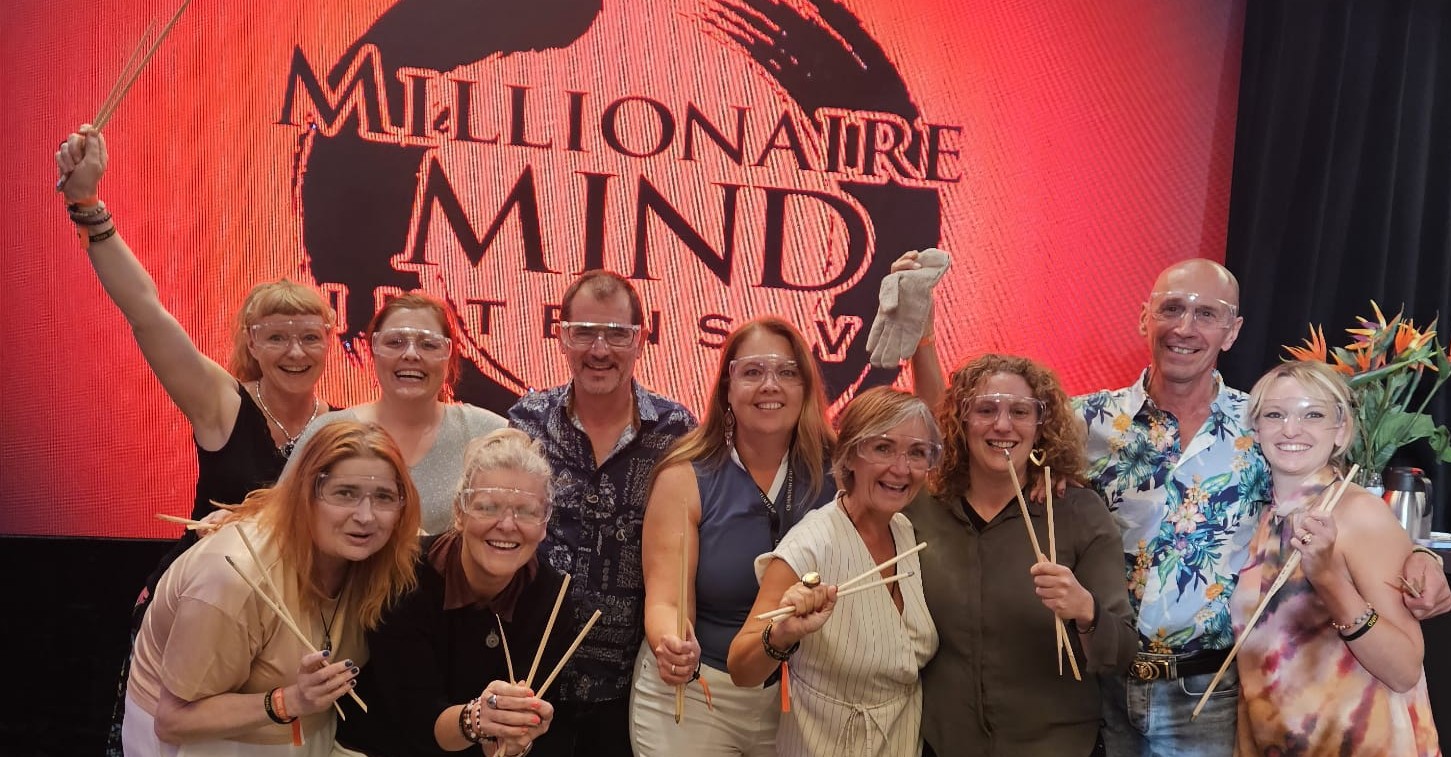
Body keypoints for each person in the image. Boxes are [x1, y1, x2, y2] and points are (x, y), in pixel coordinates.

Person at [1075, 258, 1450, 757]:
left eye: (1208, 314)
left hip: (1217, 697)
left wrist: (1423, 559)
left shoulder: (1256, 423)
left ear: (1233, 332)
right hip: (1112, 688)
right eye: (1172, 309)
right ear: (1145, 318)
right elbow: (992, 451)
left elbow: (1353, 512)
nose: (1186, 327)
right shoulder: (1083, 423)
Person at [56, 124, 340, 755]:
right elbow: (145, 310)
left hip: (294, 632)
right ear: (251, 343)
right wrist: (88, 207)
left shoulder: (344, 428)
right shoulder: (223, 403)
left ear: (329, 343)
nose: (294, 351)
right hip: (199, 616)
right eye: (276, 336)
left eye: (309, 337)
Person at [122, 420, 421, 756]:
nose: (366, 516)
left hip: (301, 734)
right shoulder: (234, 577)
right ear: (306, 494)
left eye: (383, 497)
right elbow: (173, 720)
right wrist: (289, 700)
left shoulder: (381, 559)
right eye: (345, 493)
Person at [508, 270, 696, 756]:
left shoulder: (676, 432)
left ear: (641, 340)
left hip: (633, 683)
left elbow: (687, 552)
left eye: (617, 334)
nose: (599, 349)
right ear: (561, 334)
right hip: (528, 676)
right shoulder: (525, 422)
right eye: (584, 332)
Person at [908, 354, 1135, 756]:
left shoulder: (1078, 513)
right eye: (985, 409)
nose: (1002, 425)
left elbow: (1121, 653)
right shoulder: (922, 510)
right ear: (961, 421)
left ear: (1040, 424)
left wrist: (1086, 611)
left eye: (1019, 411)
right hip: (944, 744)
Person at [632, 317, 838, 756]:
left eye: (787, 372)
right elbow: (667, 598)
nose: (770, 385)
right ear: (727, 387)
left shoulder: (838, 474)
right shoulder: (684, 475)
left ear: (806, 389)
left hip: (800, 698)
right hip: (697, 691)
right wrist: (671, 644)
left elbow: (922, 465)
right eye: (752, 372)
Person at [1231, 361, 1438, 754]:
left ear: (1340, 431)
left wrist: (1329, 580)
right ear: (1256, 429)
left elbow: (1404, 668)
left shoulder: (1359, 514)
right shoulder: (1263, 518)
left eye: (1313, 414)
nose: (1291, 429)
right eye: (1275, 415)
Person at [337, 428, 578, 757]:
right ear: (459, 513)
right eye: (488, 507)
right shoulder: (403, 577)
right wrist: (477, 719)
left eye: (526, 511)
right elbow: (418, 720)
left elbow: (533, 732)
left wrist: (519, 735)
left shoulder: (554, 598)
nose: (507, 525)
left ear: (545, 524)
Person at [727, 387, 939, 756]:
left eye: (917, 453)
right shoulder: (812, 543)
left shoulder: (905, 530)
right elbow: (741, 668)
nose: (901, 468)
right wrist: (783, 633)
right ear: (850, 454)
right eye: (883, 448)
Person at [292, 291, 506, 533]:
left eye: (428, 344)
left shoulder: (490, 434)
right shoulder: (327, 433)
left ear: (449, 357)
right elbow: (282, 525)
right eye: (395, 342)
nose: (411, 354)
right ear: (372, 351)